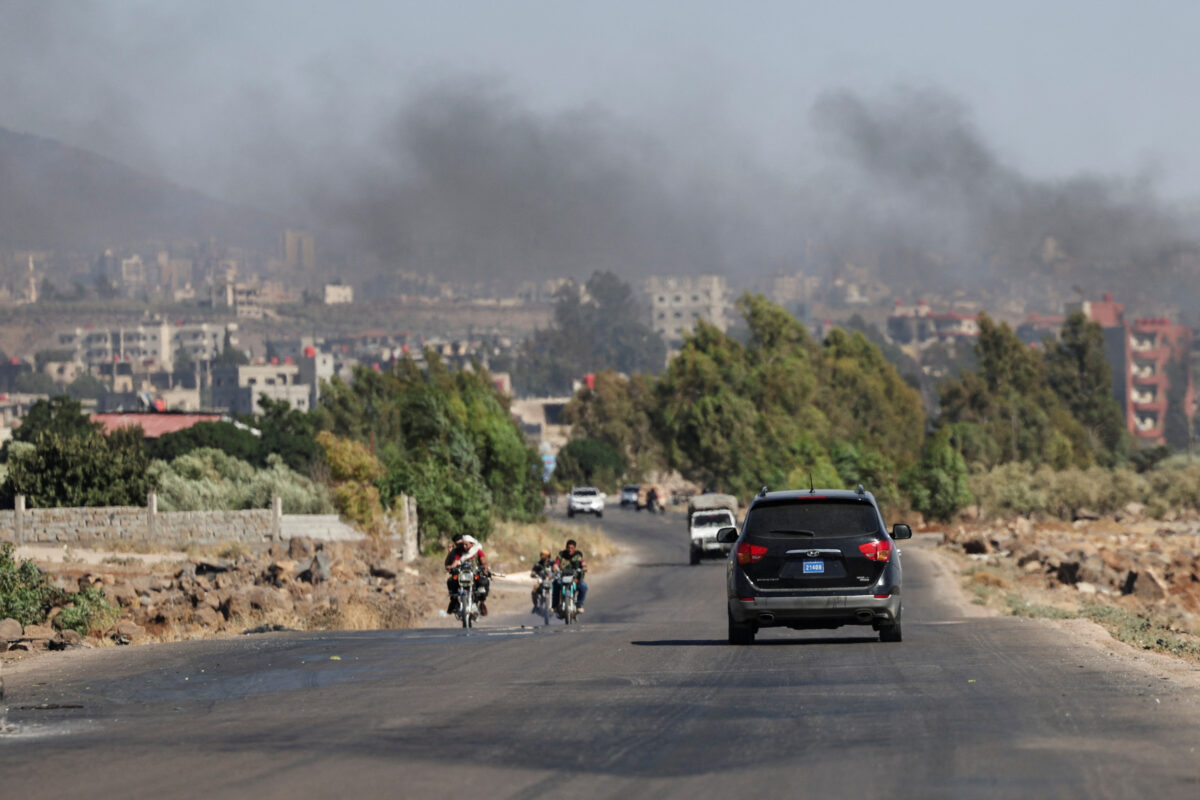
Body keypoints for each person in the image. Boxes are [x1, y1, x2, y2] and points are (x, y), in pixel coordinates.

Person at [445, 533, 490, 616]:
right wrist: (451, 567)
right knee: (451, 581)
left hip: (474, 574)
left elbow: (483, 561)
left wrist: (484, 568)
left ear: (471, 544)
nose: (464, 546)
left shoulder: (477, 551)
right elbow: (455, 562)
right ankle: (454, 601)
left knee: (484, 581)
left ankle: (482, 601)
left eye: (466, 544)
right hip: (462, 574)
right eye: (463, 544)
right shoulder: (459, 552)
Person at [553, 539, 588, 613]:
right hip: (563, 577)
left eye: (572, 548)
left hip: (575, 579)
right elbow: (557, 563)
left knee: (583, 586)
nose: (570, 550)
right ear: (566, 547)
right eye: (568, 547)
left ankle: (579, 605)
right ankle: (555, 606)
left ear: (575, 548)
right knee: (555, 584)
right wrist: (555, 567)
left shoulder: (578, 556)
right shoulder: (561, 555)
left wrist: (584, 567)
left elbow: (583, 563)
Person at [530, 548, 555, 613]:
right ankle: (535, 605)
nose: (542, 556)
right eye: (541, 555)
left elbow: (557, 569)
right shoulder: (538, 564)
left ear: (548, 555)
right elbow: (533, 571)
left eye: (543, 555)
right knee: (534, 590)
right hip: (541, 581)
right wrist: (533, 574)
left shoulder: (552, 563)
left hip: (552, 580)